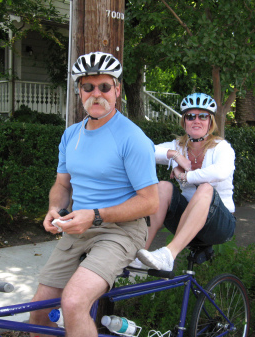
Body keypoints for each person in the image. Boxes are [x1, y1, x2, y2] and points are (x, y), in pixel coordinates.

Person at [29, 51, 159, 337]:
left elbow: (150, 202)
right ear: (79, 91)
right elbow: (63, 185)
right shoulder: (71, 134)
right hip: (78, 227)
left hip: (120, 231)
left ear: (117, 90)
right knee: (38, 312)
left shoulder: (132, 137)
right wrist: (54, 209)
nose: (96, 94)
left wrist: (96, 215)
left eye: (104, 87)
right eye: (89, 87)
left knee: (74, 302)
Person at [133, 92, 236, 272]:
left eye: (203, 116)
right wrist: (174, 156)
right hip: (187, 220)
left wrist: (184, 176)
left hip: (220, 223)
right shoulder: (178, 146)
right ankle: (137, 258)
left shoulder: (222, 147)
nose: (197, 120)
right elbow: (144, 151)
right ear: (184, 121)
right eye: (190, 116)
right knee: (163, 187)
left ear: (210, 122)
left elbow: (220, 172)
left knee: (205, 188)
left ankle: (168, 256)